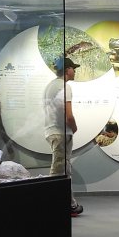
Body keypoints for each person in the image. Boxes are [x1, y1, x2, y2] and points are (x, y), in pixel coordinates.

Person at [44, 56, 82, 215]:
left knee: (62, 169)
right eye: (73, 68)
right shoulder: (65, 87)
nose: (75, 71)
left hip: (51, 130)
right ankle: (59, 205)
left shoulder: (50, 86)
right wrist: (74, 127)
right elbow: (69, 115)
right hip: (61, 132)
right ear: (67, 70)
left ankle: (69, 203)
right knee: (60, 171)